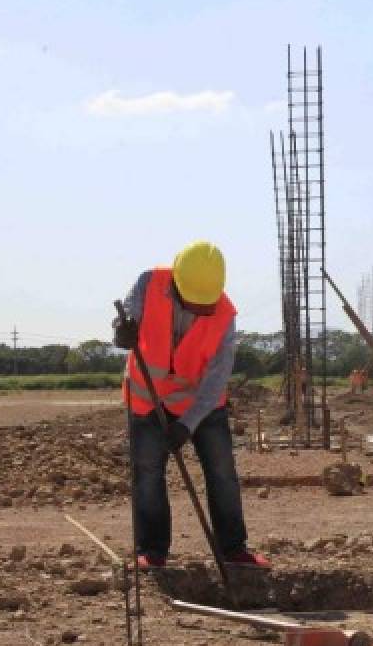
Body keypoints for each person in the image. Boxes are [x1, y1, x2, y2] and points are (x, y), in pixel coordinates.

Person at [113, 240, 270, 570]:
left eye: (206, 306)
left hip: (201, 403)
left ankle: (233, 549)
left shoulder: (225, 317)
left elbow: (215, 382)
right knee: (147, 473)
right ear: (176, 285)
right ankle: (152, 551)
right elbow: (125, 323)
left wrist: (187, 424)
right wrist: (122, 333)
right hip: (147, 399)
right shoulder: (148, 284)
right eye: (194, 304)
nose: (201, 311)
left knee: (222, 471)